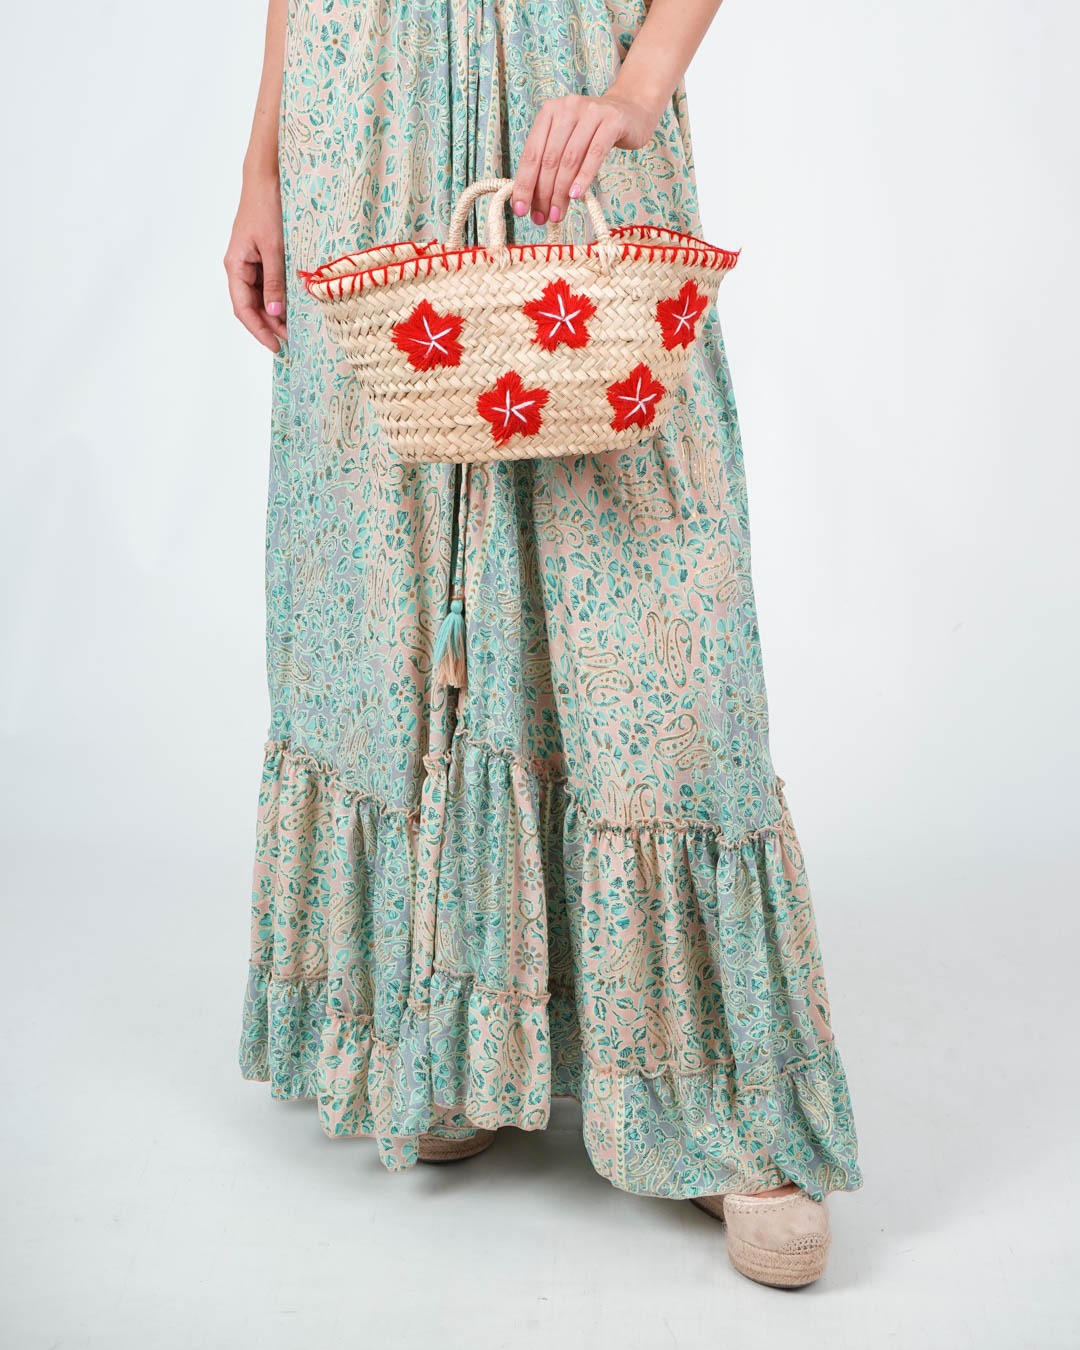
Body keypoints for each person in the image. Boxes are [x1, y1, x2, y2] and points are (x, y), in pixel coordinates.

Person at [225, 0, 863, 1289]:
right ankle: (460, 1035)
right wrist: (263, 167)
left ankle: (715, 1092)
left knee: (645, 575)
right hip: (368, 109)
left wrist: (638, 88)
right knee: (389, 582)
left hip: (567, 97)